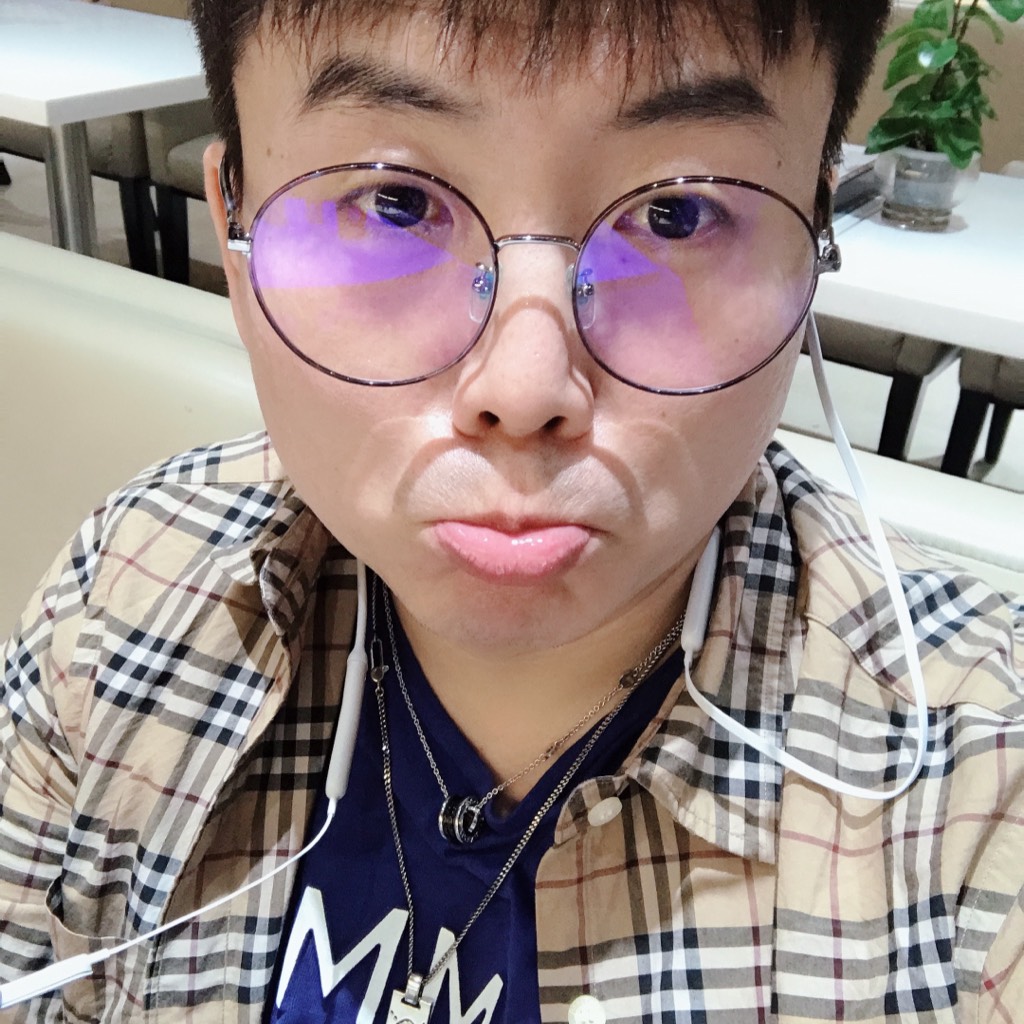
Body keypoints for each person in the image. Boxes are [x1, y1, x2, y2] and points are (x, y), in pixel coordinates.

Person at [1, 1, 1022, 1021]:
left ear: (814, 236)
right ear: (236, 228)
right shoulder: (128, 594)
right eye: (397, 203)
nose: (527, 388)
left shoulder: (980, 796)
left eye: (677, 214)